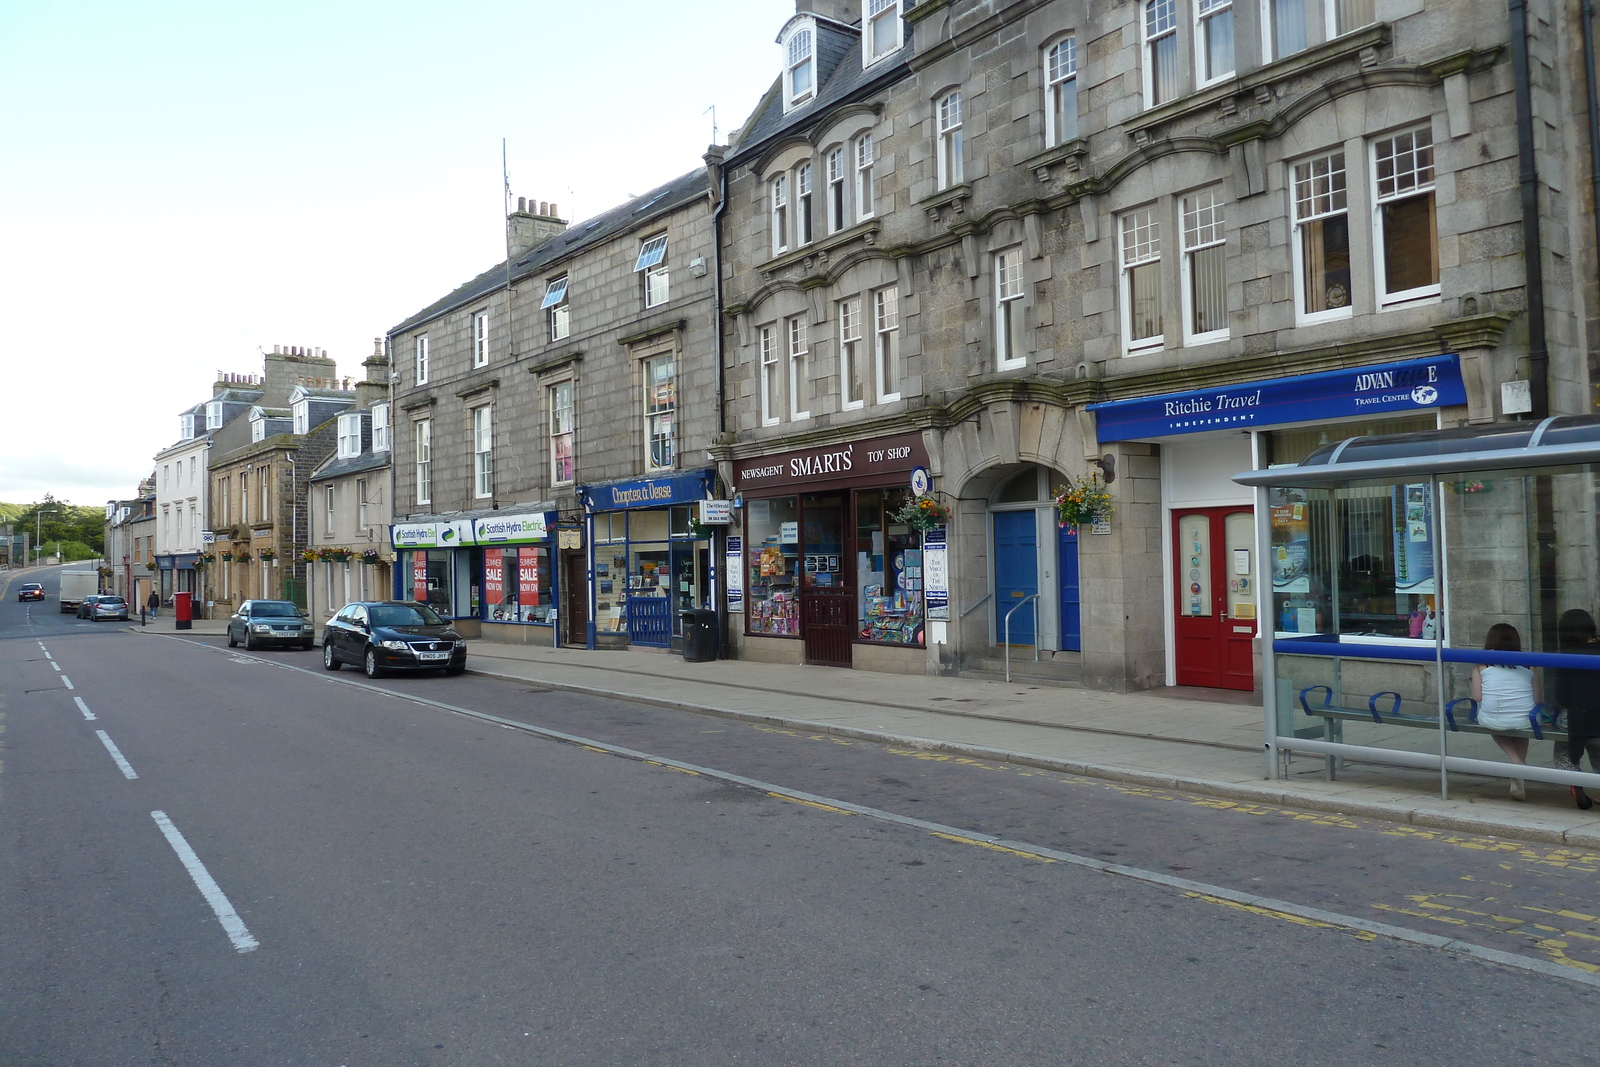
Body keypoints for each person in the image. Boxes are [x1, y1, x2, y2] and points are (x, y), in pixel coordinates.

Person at [1471, 623, 1539, 801]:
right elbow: (1537, 699)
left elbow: (1477, 697)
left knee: (1493, 721)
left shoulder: (1481, 663)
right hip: (1526, 719)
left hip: (1494, 718)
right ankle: (1519, 770)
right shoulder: (1530, 663)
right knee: (1521, 723)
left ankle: (1516, 761)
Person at [1550, 609, 1600, 810]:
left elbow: (1563, 698)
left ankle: (1575, 783)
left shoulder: (1565, 656)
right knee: (1597, 750)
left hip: (1578, 718)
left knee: (1562, 751)